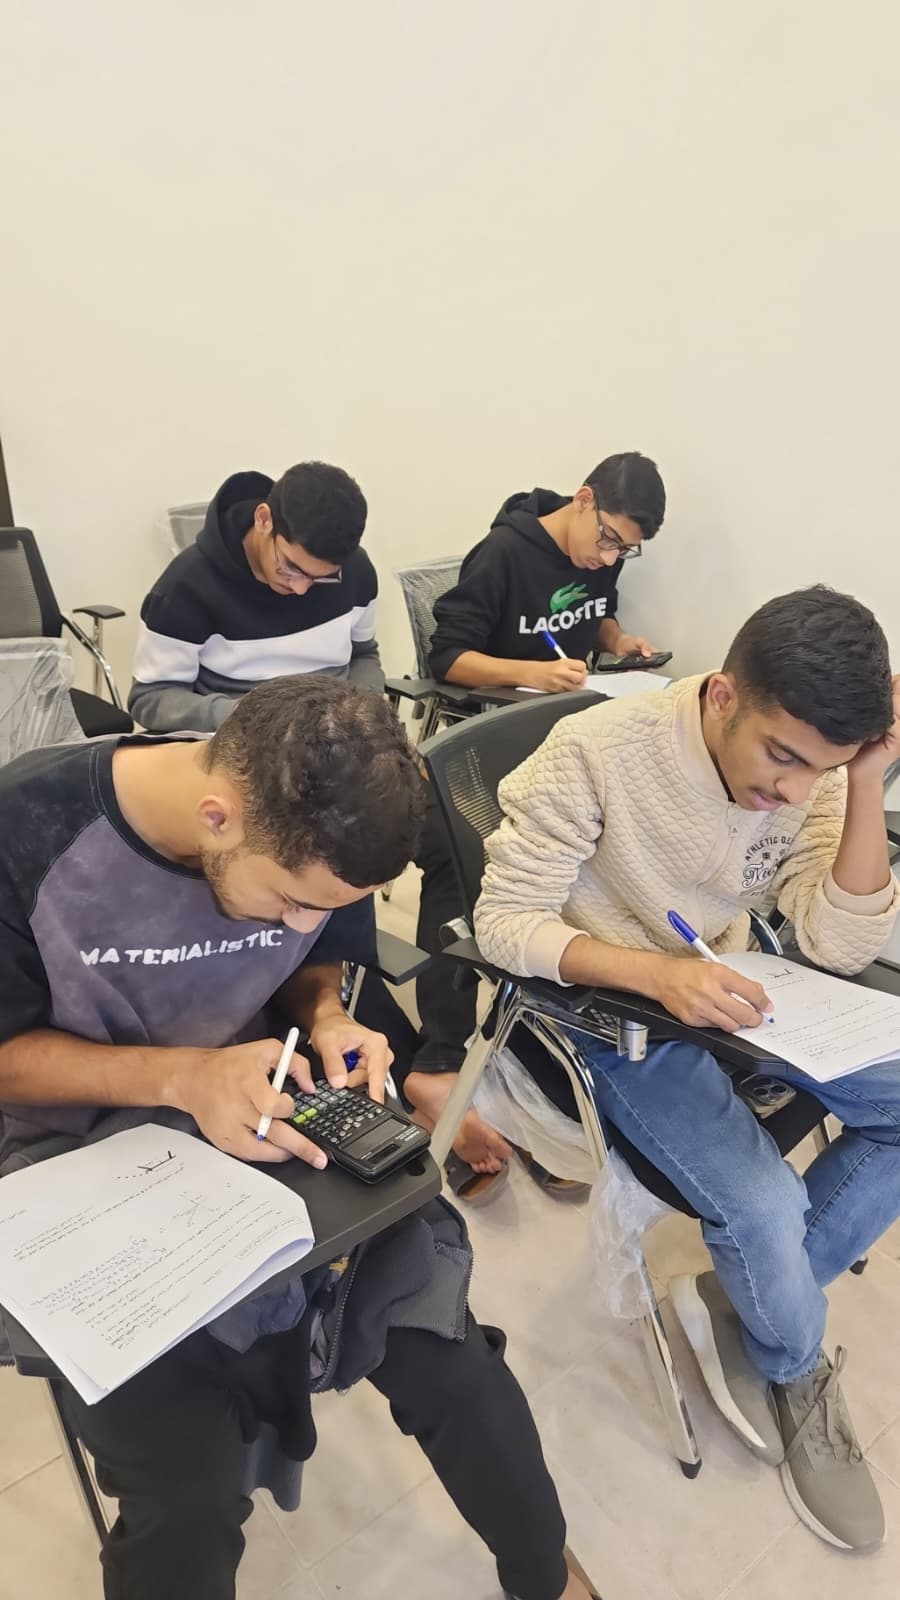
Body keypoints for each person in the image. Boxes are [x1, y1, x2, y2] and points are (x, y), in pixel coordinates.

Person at [0, 678, 595, 1600]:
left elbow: (317, 958)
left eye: (329, 905)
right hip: (71, 1144)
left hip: (265, 1109)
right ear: (218, 817)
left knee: (451, 1361)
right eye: (287, 899)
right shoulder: (28, 830)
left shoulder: (327, 833)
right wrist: (180, 1077)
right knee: (188, 1485)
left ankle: (543, 1576)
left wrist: (327, 1016)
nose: (304, 924)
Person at [475, 585, 900, 1551]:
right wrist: (655, 975)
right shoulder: (598, 753)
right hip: (618, 1010)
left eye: (823, 767)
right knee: (763, 1207)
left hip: (737, 981)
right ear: (722, 696)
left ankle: (753, 1292)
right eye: (781, 756)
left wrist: (867, 780)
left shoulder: (820, 776)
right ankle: (791, 1358)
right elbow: (501, 924)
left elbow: (834, 944)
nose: (794, 790)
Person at [395, 453, 668, 1199]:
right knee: (468, 869)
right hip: (485, 745)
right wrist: (530, 673)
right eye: (608, 539)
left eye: (625, 550)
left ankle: (532, 1060)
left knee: (590, 872)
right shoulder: (503, 554)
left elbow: (592, 613)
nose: (608, 558)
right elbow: (448, 657)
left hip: (565, 746)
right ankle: (442, 1056)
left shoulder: (598, 555)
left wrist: (616, 641)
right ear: (582, 500)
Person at [129, 461, 382, 732]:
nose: (300, 589)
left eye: (321, 577)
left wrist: (360, 709)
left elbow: (363, 654)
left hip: (334, 739)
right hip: (236, 739)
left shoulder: (357, 571)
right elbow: (151, 697)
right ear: (263, 519)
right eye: (291, 567)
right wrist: (241, 717)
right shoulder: (186, 587)